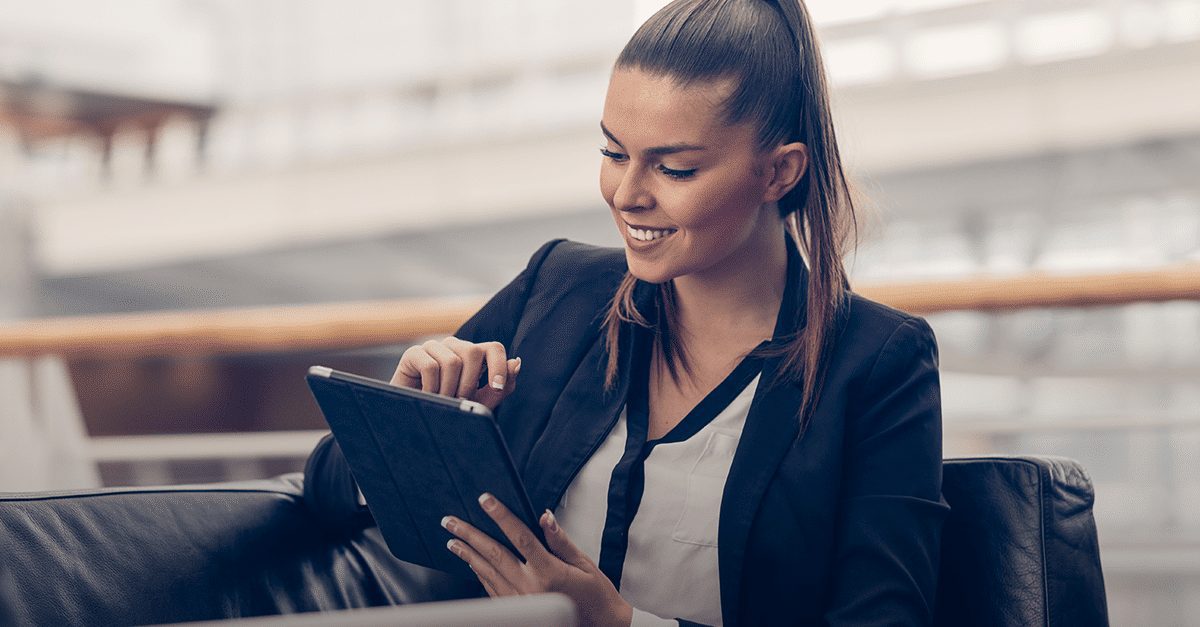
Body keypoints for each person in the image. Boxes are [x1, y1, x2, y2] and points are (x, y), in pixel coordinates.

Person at [304, 0, 950, 625]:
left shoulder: (876, 363)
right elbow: (326, 488)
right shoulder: (558, 290)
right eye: (613, 153)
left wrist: (616, 622)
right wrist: (411, 420)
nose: (627, 195)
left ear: (779, 171)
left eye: (674, 167)